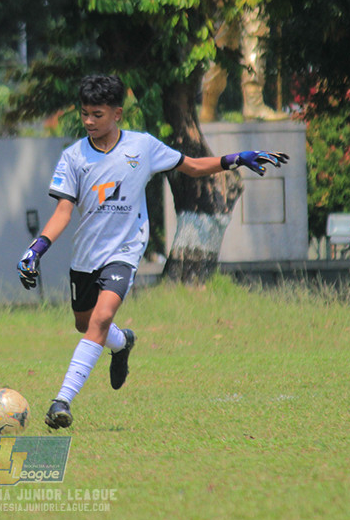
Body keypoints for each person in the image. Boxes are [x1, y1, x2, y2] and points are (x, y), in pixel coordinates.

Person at [17, 74, 288, 429]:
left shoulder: (142, 147)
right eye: (84, 113)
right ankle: (122, 342)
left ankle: (61, 400)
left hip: (125, 252)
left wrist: (234, 159)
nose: (88, 121)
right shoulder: (72, 157)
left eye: (96, 114)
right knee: (85, 323)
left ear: (117, 114)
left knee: (99, 319)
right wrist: (36, 249)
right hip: (85, 257)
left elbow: (191, 166)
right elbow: (64, 212)